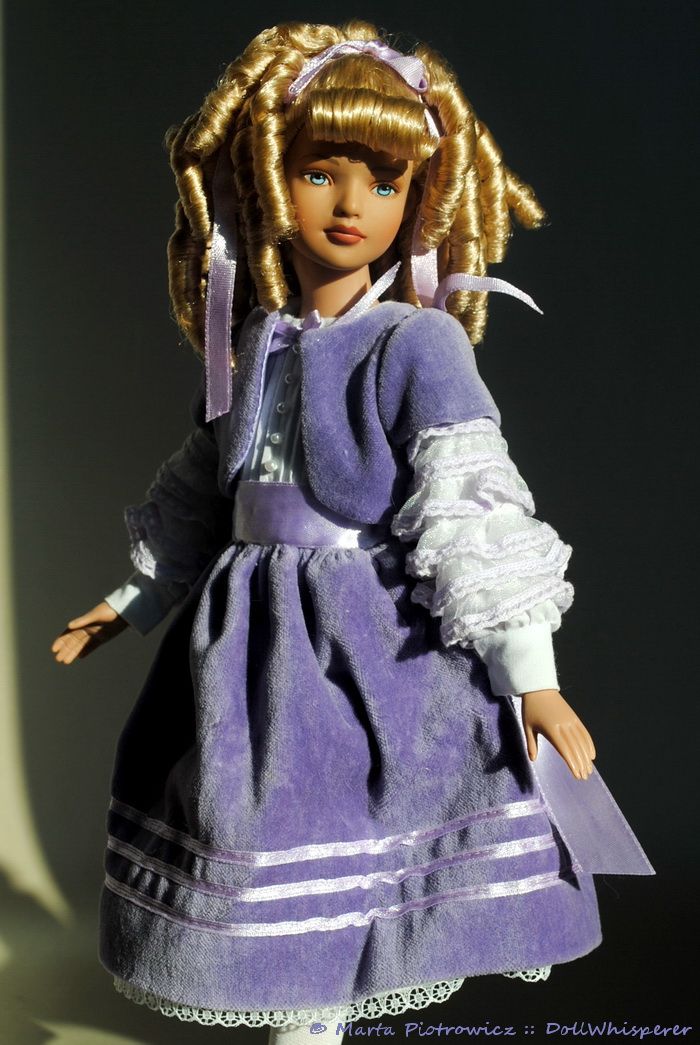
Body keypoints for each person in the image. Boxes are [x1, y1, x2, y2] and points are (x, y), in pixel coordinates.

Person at [51, 20, 653, 1041]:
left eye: (383, 182)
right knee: (256, 833)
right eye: (321, 173)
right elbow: (204, 486)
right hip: (245, 655)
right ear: (264, 180)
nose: (350, 204)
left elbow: (472, 503)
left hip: (368, 650)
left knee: (351, 846)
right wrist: (131, 598)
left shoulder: (417, 343)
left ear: (418, 199)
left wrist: (532, 676)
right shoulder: (257, 342)